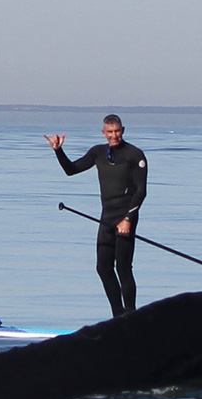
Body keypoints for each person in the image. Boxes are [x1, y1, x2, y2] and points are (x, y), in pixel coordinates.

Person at [45, 115, 148, 317]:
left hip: (126, 217)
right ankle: (117, 316)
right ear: (104, 133)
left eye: (117, 131)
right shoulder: (98, 152)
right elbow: (71, 170)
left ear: (123, 130)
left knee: (123, 268)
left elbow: (141, 191)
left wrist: (128, 219)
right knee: (103, 268)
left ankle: (131, 315)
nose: (114, 135)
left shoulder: (135, 155)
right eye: (109, 132)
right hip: (106, 218)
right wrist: (58, 151)